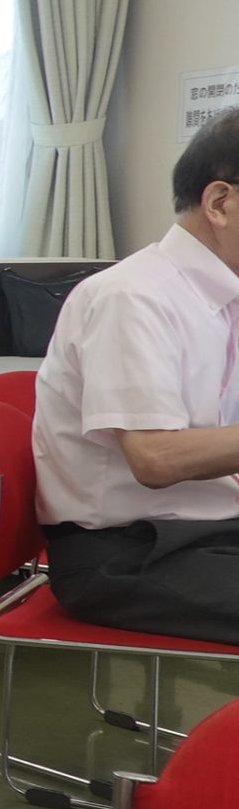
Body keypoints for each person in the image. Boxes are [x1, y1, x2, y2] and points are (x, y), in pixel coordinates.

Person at [34, 110, 239, 644]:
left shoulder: (226, 299)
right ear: (220, 203)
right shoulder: (134, 296)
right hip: (128, 551)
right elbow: (156, 458)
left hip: (211, 531)